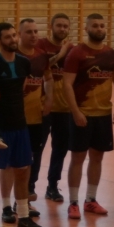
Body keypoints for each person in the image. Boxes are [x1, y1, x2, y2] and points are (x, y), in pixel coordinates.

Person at [0, 22, 43, 227]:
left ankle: (24, 216)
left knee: (23, 170)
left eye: (14, 35)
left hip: (20, 126)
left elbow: (21, 89)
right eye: (7, 37)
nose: (13, 40)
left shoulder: (24, 63)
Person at [61, 14, 114, 220]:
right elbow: (66, 84)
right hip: (83, 114)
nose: (99, 28)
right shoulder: (77, 53)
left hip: (103, 115)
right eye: (95, 25)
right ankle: (73, 202)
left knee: (97, 157)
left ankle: (91, 200)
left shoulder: (112, 55)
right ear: (86, 29)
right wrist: (76, 111)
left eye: (102, 25)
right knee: (77, 158)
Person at [16, 17, 51, 225]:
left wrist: (49, 101)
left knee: (34, 158)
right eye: (29, 32)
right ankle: (11, 203)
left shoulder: (41, 56)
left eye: (36, 31)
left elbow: (48, 79)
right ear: (19, 34)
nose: (34, 35)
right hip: (17, 118)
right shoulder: (14, 56)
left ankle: (27, 196)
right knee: (15, 162)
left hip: (37, 117)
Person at [40, 12, 74, 202]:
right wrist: (61, 53)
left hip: (64, 108)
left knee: (60, 149)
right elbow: (41, 67)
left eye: (65, 26)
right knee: (36, 149)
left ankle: (52, 186)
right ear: (51, 27)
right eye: (59, 25)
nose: (62, 29)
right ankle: (28, 188)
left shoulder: (73, 50)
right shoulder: (41, 46)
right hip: (43, 107)